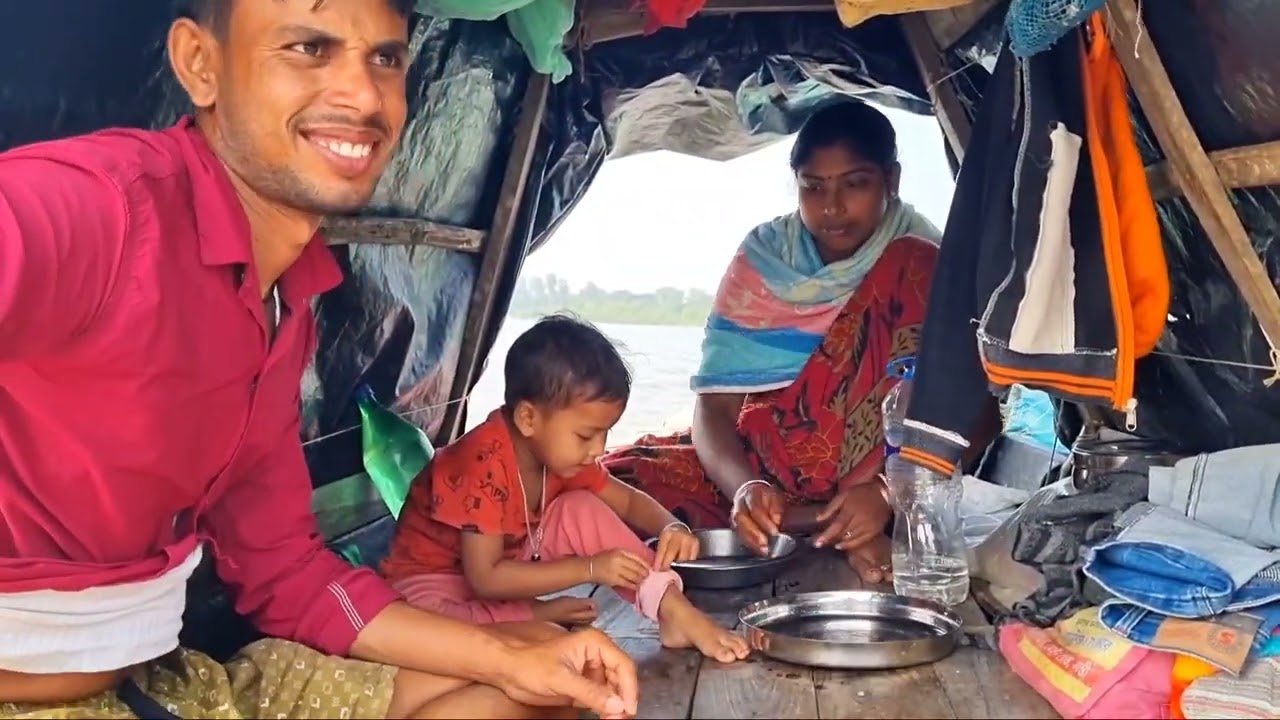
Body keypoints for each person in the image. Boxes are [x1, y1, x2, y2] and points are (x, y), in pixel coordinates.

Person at [0, 1, 637, 718]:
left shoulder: (281, 309)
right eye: (308, 47)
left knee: (536, 694)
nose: (363, 96)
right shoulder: (100, 212)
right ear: (199, 65)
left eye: (386, 59)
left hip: (162, 682)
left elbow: (285, 571)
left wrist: (512, 653)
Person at [601, 101, 942, 585]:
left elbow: (973, 412)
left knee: (915, 262)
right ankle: (811, 524)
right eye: (813, 187)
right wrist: (746, 486)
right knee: (606, 482)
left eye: (856, 183)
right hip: (763, 472)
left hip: (875, 485)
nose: (832, 207)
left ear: (892, 180)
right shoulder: (765, 256)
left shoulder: (921, 258)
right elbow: (715, 409)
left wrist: (887, 493)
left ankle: (848, 521)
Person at [381, 315, 751, 664]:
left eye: (605, 433)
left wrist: (672, 526)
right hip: (430, 588)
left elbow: (625, 500)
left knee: (580, 507)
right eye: (586, 435)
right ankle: (529, 613)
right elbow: (486, 578)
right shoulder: (482, 464)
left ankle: (673, 610)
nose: (598, 449)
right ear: (528, 418)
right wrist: (590, 568)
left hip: (498, 571)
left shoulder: (557, 455)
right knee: (460, 633)